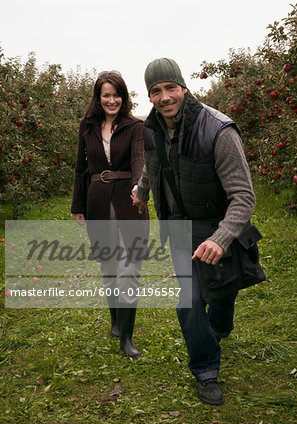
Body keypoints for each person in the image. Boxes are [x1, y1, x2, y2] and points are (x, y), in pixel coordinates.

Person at [131, 58, 255, 405]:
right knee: (189, 301)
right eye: (156, 91)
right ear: (150, 97)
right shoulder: (152, 128)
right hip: (178, 228)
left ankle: (219, 328)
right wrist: (142, 192)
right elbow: (154, 166)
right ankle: (205, 370)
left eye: (170, 87)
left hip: (217, 225)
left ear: (184, 87)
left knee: (222, 289)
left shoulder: (218, 130)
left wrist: (221, 237)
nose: (164, 96)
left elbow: (243, 196)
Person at [71, 70, 149, 358]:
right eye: (106, 95)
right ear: (98, 97)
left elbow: (140, 158)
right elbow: (81, 168)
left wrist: (140, 187)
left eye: (117, 94)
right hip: (98, 203)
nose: (112, 100)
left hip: (130, 202)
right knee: (109, 268)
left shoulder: (133, 127)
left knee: (129, 270)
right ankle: (116, 320)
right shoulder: (87, 126)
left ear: (123, 97)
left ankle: (126, 338)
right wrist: (78, 206)